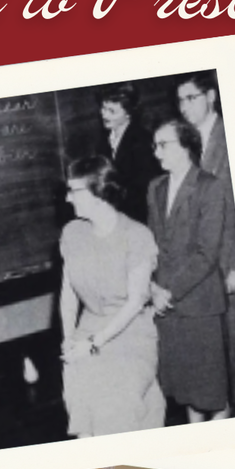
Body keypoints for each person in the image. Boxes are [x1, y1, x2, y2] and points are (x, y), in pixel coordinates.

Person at [60, 156, 165, 437]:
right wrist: (69, 338)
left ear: (100, 191)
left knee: (114, 410)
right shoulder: (72, 233)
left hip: (131, 334)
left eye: (74, 190)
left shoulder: (136, 235)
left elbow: (135, 303)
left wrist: (93, 344)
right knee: (83, 405)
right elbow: (68, 293)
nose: (68, 198)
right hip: (87, 329)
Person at [177, 72, 235, 417]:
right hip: (200, 270)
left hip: (231, 266)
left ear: (210, 96)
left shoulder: (234, 138)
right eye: (180, 100)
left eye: (191, 98)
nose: (184, 107)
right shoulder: (186, 143)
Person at [147, 118, 229, 423]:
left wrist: (169, 290)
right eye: (154, 145)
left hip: (199, 306)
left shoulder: (210, 186)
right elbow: (152, 246)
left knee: (212, 395)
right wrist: (152, 288)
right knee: (185, 393)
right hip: (166, 308)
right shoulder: (155, 187)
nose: (156, 153)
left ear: (186, 146)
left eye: (163, 145)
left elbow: (207, 253)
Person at [96, 82, 159, 224]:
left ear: (128, 113)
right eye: (103, 108)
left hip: (135, 218)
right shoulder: (104, 141)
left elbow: (143, 191)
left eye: (112, 111)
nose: (104, 114)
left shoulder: (143, 141)